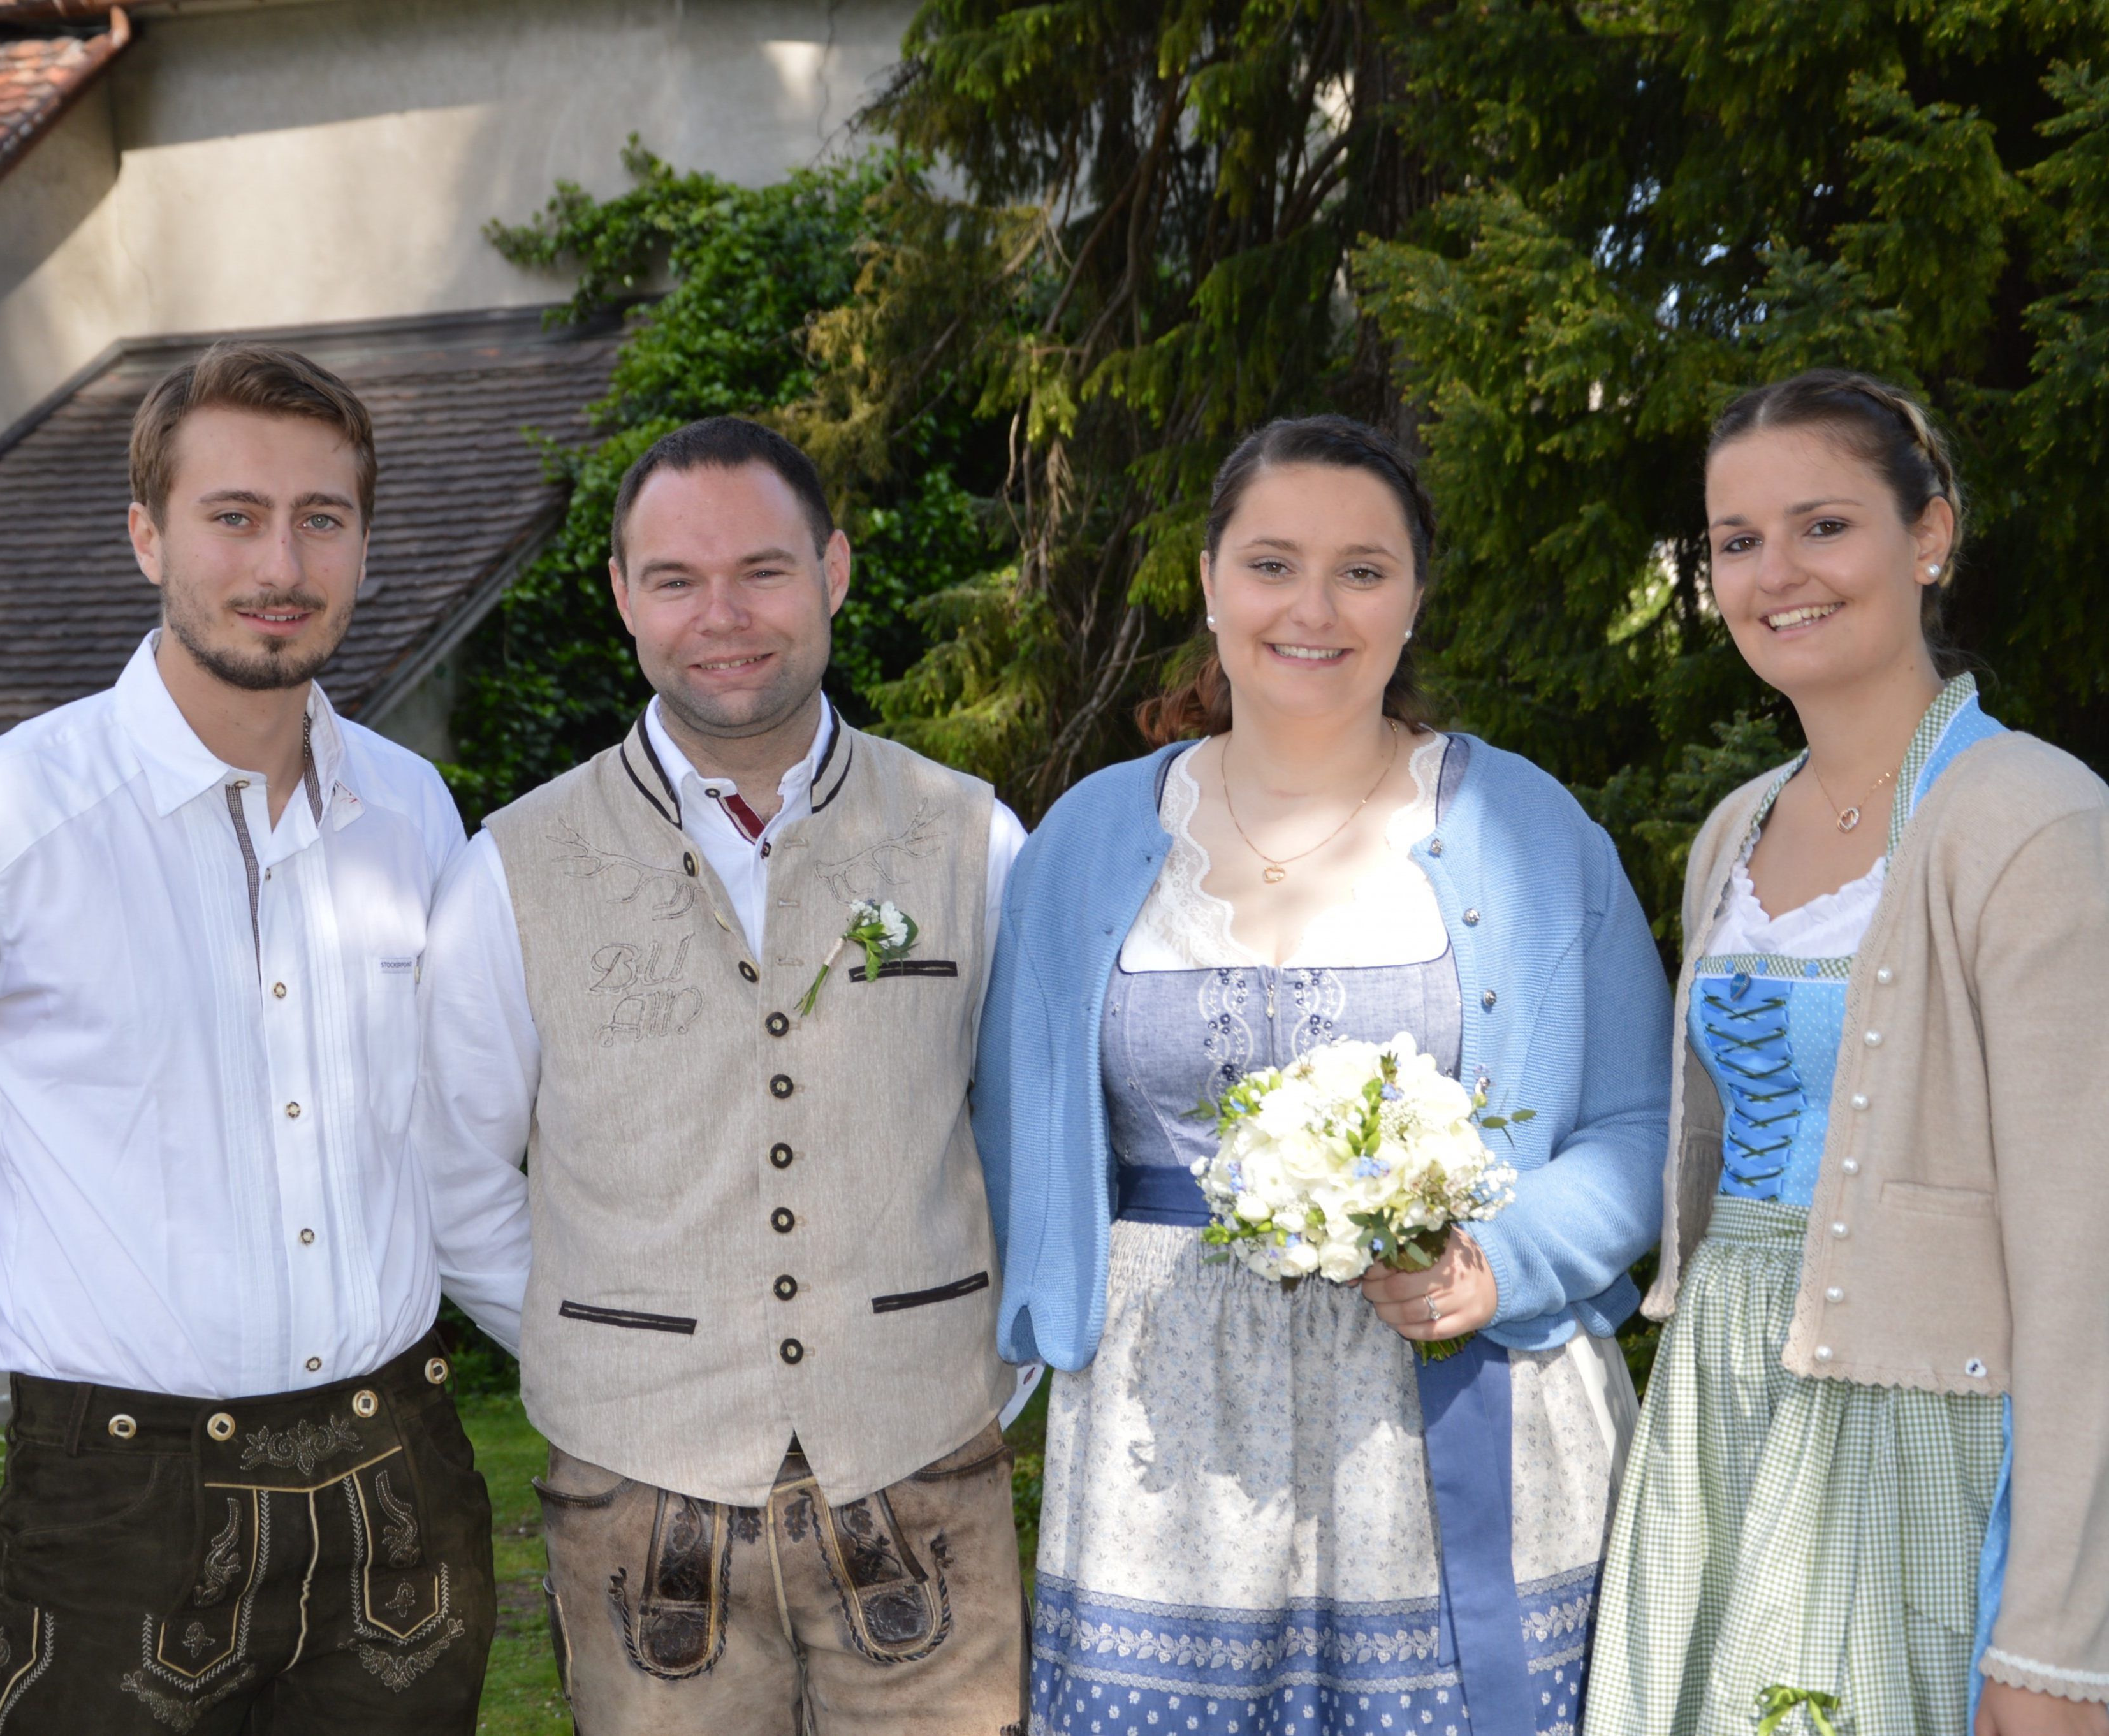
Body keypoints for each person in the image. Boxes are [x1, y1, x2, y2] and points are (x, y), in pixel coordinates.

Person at [0, 344, 527, 1735]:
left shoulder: (417, 811)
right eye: (234, 515)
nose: (283, 562)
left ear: (365, 543)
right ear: (148, 536)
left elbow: (450, 1124)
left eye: (324, 518)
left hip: (402, 1481)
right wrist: (33, 1279)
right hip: (122, 1491)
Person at [974, 414, 1672, 1736]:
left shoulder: (1525, 828)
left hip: (1464, 1405)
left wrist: (1496, 1264)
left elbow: (1640, 1123)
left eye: (1364, 569)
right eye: (1273, 563)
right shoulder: (1086, 843)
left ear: (1415, 599)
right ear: (1209, 583)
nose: (1315, 608)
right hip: (1166, 1439)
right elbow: (1012, 1129)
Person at [409, 415, 1032, 1735]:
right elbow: (456, 1173)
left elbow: (1033, 1139)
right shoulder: (509, 869)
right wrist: (606, 1353)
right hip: (640, 1507)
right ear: (625, 597)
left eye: (763, 569)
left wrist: (985, 1356)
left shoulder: (974, 840)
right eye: (678, 580)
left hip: (927, 1466)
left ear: (836, 573)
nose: (725, 616)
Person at [1585, 371, 2109, 1736]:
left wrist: (2057, 1643)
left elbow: (2086, 1265)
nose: (1776, 575)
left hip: (1918, 1437)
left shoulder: (2033, 822)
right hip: (1719, 1409)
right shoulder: (1736, 830)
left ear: (1928, 536)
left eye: (1823, 526)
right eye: (1737, 541)